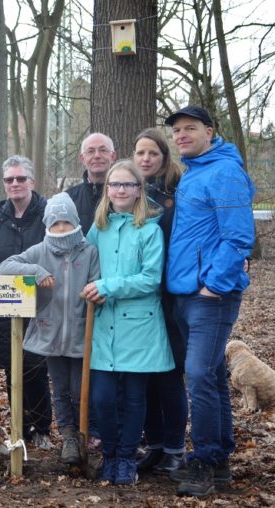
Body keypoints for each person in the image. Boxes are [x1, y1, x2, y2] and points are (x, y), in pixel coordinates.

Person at [164, 106, 256, 497]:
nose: (181, 135)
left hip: (210, 297)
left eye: (190, 128)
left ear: (209, 132)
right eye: (177, 131)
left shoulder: (225, 172)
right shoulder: (195, 172)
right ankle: (218, 460)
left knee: (199, 374)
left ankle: (203, 460)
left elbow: (239, 237)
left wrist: (214, 285)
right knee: (213, 375)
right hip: (187, 292)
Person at [82, 160, 175, 485]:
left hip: (140, 326)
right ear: (107, 190)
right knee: (103, 398)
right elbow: (85, 264)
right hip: (103, 324)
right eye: (115, 184)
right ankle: (109, 454)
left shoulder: (149, 230)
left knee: (135, 398)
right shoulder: (98, 229)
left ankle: (126, 458)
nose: (120, 190)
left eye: (127, 184)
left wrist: (107, 286)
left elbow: (151, 279)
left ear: (138, 190)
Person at [0, 192, 99, 467]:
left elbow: (96, 280)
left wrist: (94, 291)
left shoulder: (89, 251)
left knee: (80, 389)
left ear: (75, 222)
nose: (62, 228)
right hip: (50, 335)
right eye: (56, 223)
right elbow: (6, 266)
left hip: (80, 334)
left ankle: (84, 435)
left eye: (66, 222)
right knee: (60, 389)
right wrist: (36, 272)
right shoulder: (40, 251)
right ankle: (67, 437)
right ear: (48, 225)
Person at [0, 155, 53, 449]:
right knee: (13, 368)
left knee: (37, 368)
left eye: (21, 178)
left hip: (42, 302)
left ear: (32, 181)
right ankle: (19, 428)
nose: (15, 183)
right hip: (7, 302)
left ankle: (42, 427)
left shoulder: (47, 214)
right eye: (10, 179)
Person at [132, 129, 188, 476]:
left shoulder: (177, 194)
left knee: (169, 375)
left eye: (153, 153)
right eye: (140, 153)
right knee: (146, 376)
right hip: (139, 299)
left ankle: (175, 448)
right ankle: (153, 445)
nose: (146, 158)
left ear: (164, 157)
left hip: (170, 297)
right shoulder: (132, 193)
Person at [66, 133, 117, 235]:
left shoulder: (124, 196)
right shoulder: (68, 199)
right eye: (90, 151)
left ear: (113, 156)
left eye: (103, 150)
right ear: (83, 159)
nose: (97, 156)